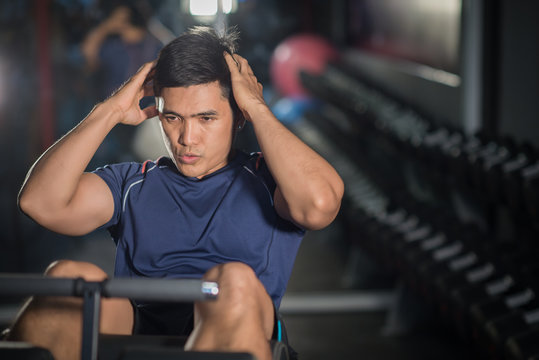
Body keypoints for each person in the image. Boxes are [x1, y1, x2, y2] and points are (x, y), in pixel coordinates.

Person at [9, 26, 344, 360]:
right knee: (67, 279)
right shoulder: (133, 183)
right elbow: (40, 203)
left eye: (206, 118)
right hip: (141, 332)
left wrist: (257, 107)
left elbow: (319, 205)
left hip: (239, 325)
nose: (187, 138)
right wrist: (107, 111)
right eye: (173, 118)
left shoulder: (268, 180)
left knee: (234, 282)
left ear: (238, 115)